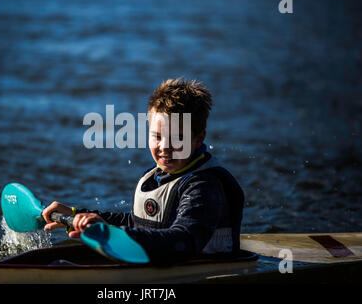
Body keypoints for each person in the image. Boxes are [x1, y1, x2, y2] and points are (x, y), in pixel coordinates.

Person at [42, 78, 244, 264]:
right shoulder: (156, 177)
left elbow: (184, 241)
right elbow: (138, 222)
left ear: (199, 138)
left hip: (204, 271)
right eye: (157, 136)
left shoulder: (205, 187)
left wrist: (113, 233)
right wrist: (78, 215)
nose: (165, 146)